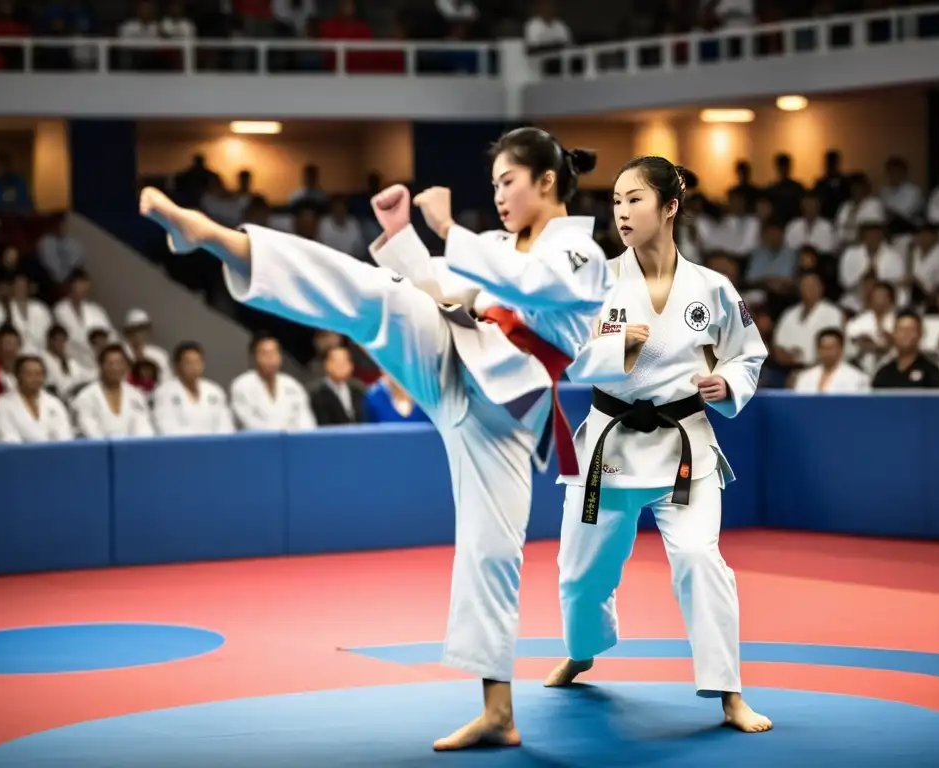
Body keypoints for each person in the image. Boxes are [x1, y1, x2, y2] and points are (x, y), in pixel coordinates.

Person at [139, 126, 611, 751]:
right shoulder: (495, 243)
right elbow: (444, 288)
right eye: (493, 183)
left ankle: (497, 712)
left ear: (546, 182)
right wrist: (403, 238)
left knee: (490, 550)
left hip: (505, 408)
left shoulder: (582, 254)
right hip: (452, 350)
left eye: (508, 182)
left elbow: (531, 286)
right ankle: (218, 239)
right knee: (375, 296)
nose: (497, 195)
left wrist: (449, 232)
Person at [545, 155, 773, 734]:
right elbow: (571, 358)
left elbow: (749, 352)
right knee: (580, 572)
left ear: (669, 207)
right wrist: (619, 347)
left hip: (683, 448)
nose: (620, 211)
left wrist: (731, 383)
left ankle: (728, 691)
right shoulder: (595, 284)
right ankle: (584, 649)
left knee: (701, 559)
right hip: (610, 447)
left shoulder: (712, 287)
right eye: (615, 201)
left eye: (634, 200)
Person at [230, 332, 316, 432]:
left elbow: (306, 421)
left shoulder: (293, 385)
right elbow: (248, 423)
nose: (270, 358)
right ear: (254, 358)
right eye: (264, 353)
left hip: (292, 443)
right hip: (259, 443)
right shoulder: (242, 386)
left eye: (274, 353)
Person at [71, 343, 156, 438]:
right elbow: (89, 431)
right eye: (110, 363)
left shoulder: (136, 395)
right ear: (101, 366)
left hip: (132, 450)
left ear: (126, 366)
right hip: (98, 450)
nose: (115, 368)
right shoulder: (86, 397)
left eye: (119, 363)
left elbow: (144, 429)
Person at [0, 355, 74, 444]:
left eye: (39, 374)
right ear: (17, 376)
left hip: (54, 455)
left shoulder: (54, 403)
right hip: (20, 455)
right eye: (29, 374)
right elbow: (8, 438)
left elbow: (65, 437)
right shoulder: (4, 403)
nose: (35, 379)